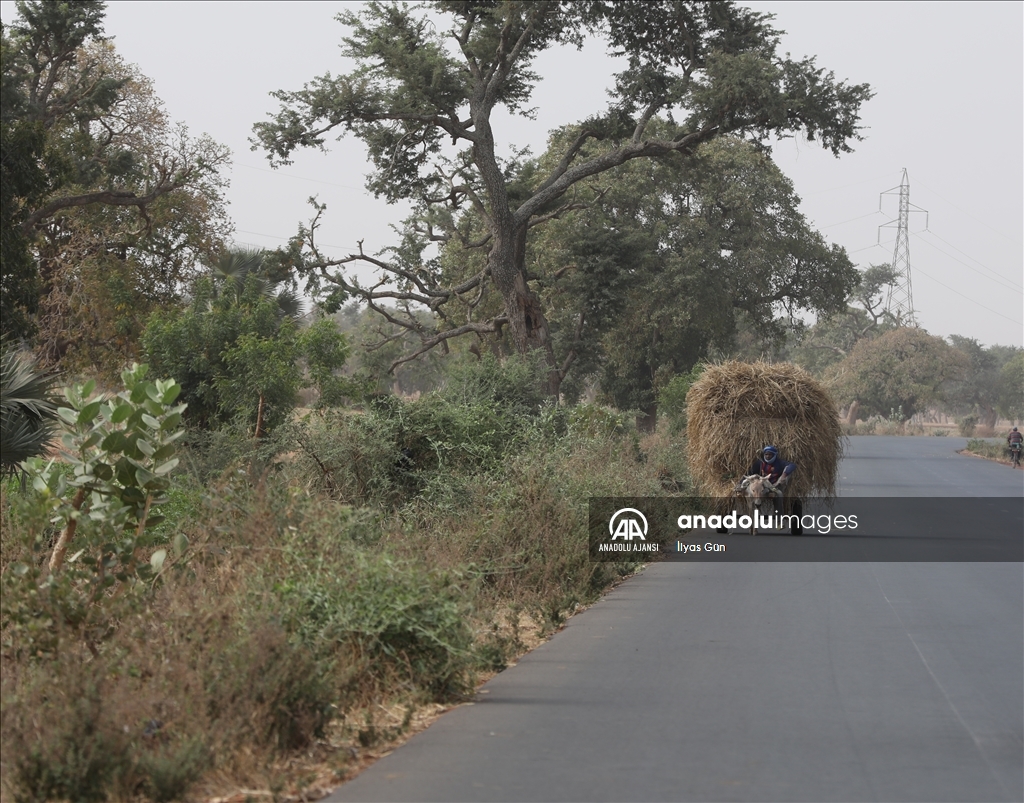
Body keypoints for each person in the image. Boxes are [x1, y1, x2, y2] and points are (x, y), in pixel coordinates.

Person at [747, 446, 796, 514]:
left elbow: (792, 465)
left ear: (774, 455)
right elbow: (749, 472)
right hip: (763, 487)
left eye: (770, 454)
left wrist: (784, 474)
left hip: (775, 485)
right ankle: (752, 514)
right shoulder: (760, 463)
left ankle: (778, 520)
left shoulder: (779, 463)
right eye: (766, 454)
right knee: (750, 492)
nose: (767, 456)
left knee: (779, 494)